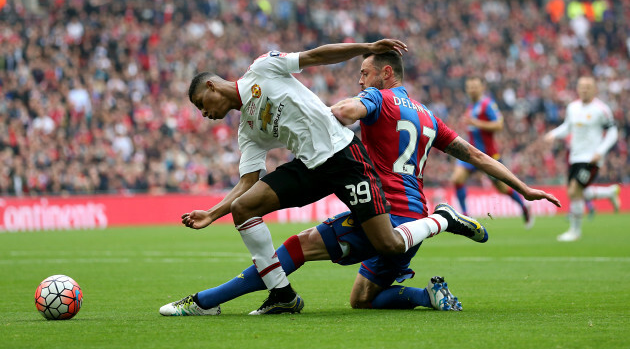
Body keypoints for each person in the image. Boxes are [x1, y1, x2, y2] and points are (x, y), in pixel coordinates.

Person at [160, 50, 560, 316]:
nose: (360, 80)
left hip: (388, 212)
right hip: (410, 219)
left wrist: (323, 111)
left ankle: (212, 301)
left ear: (385, 74)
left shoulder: (377, 99)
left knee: (298, 248)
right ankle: (428, 293)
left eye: (365, 74)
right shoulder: (427, 115)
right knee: (361, 299)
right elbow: (475, 155)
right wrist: (523, 187)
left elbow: (351, 108)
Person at [450, 76, 534, 229]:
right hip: (470, 152)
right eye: (469, 87)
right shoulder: (470, 106)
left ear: (482, 88)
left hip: (487, 155)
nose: (472, 89)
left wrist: (476, 123)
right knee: (457, 179)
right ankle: (466, 217)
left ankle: (524, 206)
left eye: (475, 86)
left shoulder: (487, 104)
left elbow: (499, 125)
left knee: (502, 188)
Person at [544, 76, 619, 242]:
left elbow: (613, 133)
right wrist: (553, 134)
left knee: (574, 190)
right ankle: (609, 192)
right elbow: (567, 128)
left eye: (588, 87)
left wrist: (601, 151)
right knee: (575, 192)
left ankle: (574, 231)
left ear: (594, 89)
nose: (584, 89)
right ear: (577, 89)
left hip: (592, 158)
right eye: (582, 87)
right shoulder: (573, 107)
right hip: (575, 157)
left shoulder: (602, 109)